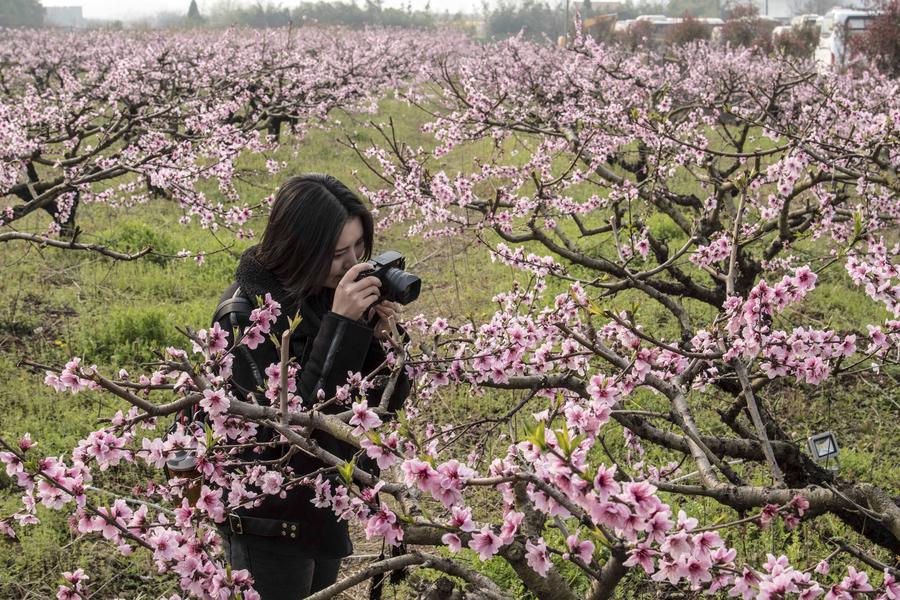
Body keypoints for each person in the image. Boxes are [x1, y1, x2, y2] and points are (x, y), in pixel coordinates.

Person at [211, 174, 410, 599]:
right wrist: (340, 327)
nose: (353, 264)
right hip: (267, 518)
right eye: (337, 254)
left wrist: (382, 343)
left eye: (359, 248)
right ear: (299, 249)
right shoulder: (244, 317)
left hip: (324, 501)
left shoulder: (325, 291)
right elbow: (289, 431)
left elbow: (382, 410)